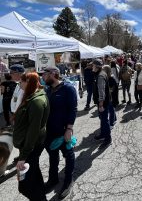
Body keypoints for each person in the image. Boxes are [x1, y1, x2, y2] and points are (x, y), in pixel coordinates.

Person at [41, 66, 78, 199]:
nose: (43, 77)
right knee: (52, 155)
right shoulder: (47, 89)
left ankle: (68, 181)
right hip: (49, 131)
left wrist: (69, 129)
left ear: (53, 74)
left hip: (63, 130)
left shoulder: (68, 89)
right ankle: (53, 179)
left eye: (45, 75)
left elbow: (73, 109)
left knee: (68, 154)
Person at [13, 72, 50, 201]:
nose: (19, 85)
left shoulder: (36, 101)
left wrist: (23, 157)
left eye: (20, 82)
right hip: (29, 146)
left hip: (30, 148)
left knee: (25, 187)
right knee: (34, 176)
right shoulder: (32, 95)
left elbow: (33, 131)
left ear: (27, 82)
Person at [93, 61, 113, 147]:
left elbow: (101, 91)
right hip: (104, 101)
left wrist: (101, 103)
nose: (92, 67)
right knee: (102, 119)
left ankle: (108, 139)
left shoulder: (101, 75)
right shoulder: (102, 73)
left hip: (103, 102)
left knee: (104, 120)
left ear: (97, 66)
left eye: (93, 65)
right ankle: (103, 134)